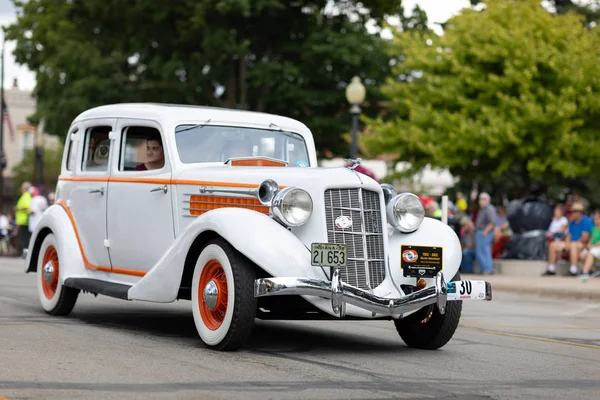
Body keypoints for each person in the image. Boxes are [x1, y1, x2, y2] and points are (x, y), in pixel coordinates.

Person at [543, 202, 593, 276]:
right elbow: (568, 235)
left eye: (575, 211)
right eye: (573, 211)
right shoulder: (572, 222)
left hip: (582, 244)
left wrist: (572, 243)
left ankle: (573, 270)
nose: (573, 213)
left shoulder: (586, 221)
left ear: (580, 212)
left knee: (573, 245)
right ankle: (551, 269)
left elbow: (585, 238)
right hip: (572, 243)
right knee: (553, 245)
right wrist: (567, 243)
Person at [475, 192, 497, 274]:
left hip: (484, 232)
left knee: (484, 251)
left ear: (488, 200)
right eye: (480, 199)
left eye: (484, 199)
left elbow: (493, 222)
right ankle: (484, 269)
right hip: (481, 231)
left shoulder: (489, 209)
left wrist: (486, 231)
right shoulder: (483, 209)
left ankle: (487, 269)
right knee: (480, 251)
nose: (481, 201)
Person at [579, 210, 600, 281]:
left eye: (597, 219)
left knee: (591, 252)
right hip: (593, 247)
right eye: (594, 219)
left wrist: (592, 246)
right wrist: (589, 244)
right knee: (582, 254)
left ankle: (585, 273)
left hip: (598, 248)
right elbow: (591, 239)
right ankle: (592, 270)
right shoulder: (593, 228)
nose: (595, 220)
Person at [15, 181, 32, 257]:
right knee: (24, 238)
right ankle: (25, 253)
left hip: (24, 221)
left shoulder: (26, 195)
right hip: (23, 220)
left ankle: (25, 253)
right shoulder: (26, 195)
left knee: (24, 238)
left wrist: (18, 208)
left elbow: (26, 207)